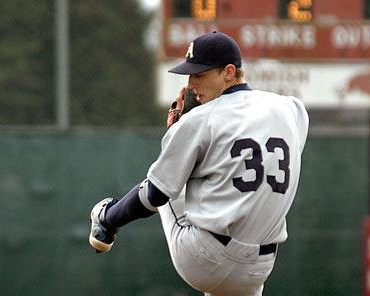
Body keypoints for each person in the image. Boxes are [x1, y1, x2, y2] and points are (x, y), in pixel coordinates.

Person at [89, 31, 309, 296]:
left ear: (229, 72)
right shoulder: (291, 108)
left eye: (200, 74)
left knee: (170, 181)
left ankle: (105, 219)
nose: (192, 83)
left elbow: (157, 194)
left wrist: (176, 131)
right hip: (258, 269)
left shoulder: (198, 120)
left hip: (203, 262)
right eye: (190, 75)